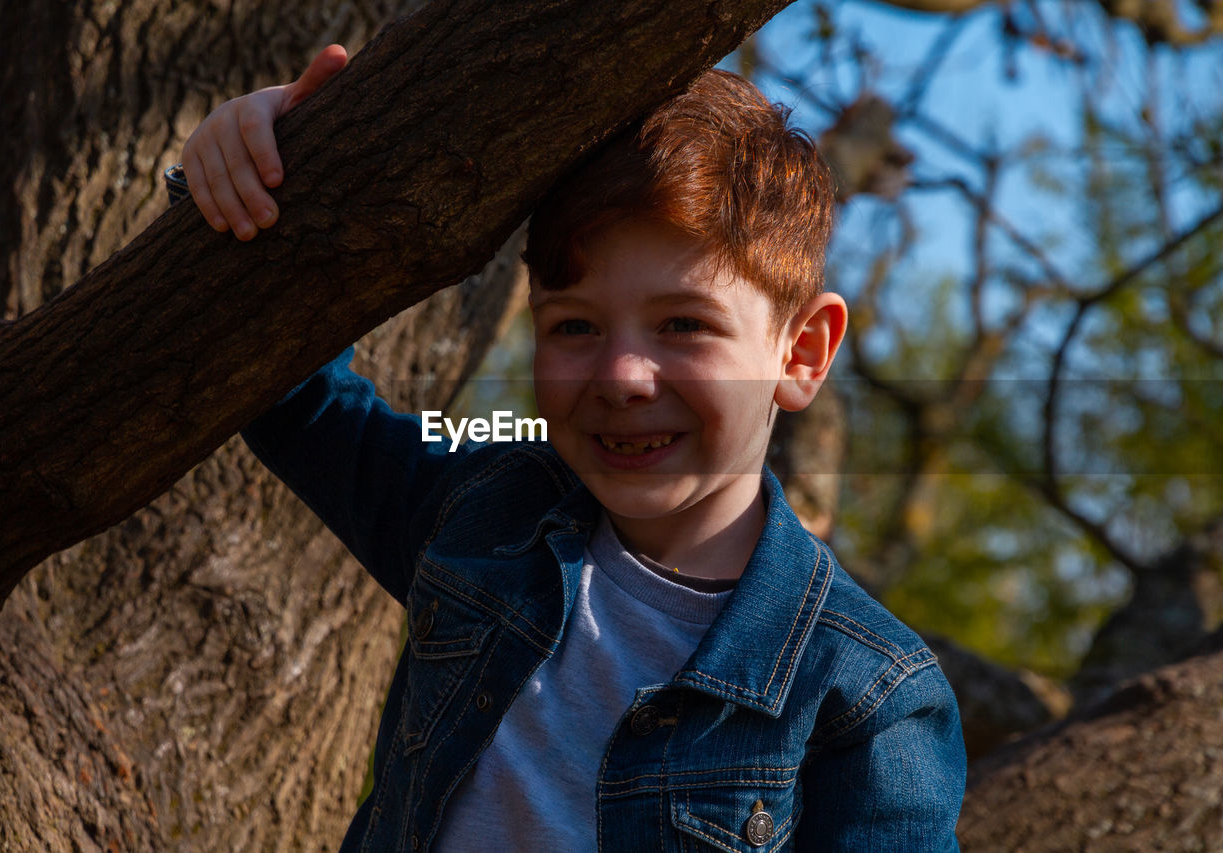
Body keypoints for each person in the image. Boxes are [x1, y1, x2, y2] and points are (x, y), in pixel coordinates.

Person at [178, 44, 966, 852]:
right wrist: (261, 166)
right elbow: (286, 392)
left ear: (800, 353)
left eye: (683, 325)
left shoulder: (870, 697)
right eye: (575, 326)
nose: (622, 375)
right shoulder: (485, 514)